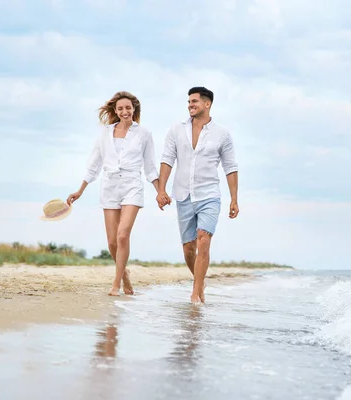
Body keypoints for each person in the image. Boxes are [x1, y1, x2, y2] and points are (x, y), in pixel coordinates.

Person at [67, 91, 160, 296]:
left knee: (123, 235)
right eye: (120, 108)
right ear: (115, 111)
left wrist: (160, 191)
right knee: (111, 242)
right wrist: (80, 190)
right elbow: (94, 164)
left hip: (132, 185)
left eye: (128, 108)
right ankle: (125, 275)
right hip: (109, 185)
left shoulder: (144, 134)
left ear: (134, 109)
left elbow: (151, 167)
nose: (124, 111)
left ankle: (116, 284)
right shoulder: (105, 133)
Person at [156, 86, 239, 304]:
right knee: (188, 249)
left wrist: (234, 199)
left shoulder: (222, 134)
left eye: (194, 101)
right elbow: (167, 159)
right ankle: (200, 282)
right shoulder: (176, 130)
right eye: (189, 102)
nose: (190, 105)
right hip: (183, 195)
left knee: (204, 239)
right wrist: (161, 190)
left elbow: (230, 167)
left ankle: (195, 293)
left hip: (209, 194)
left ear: (207, 103)